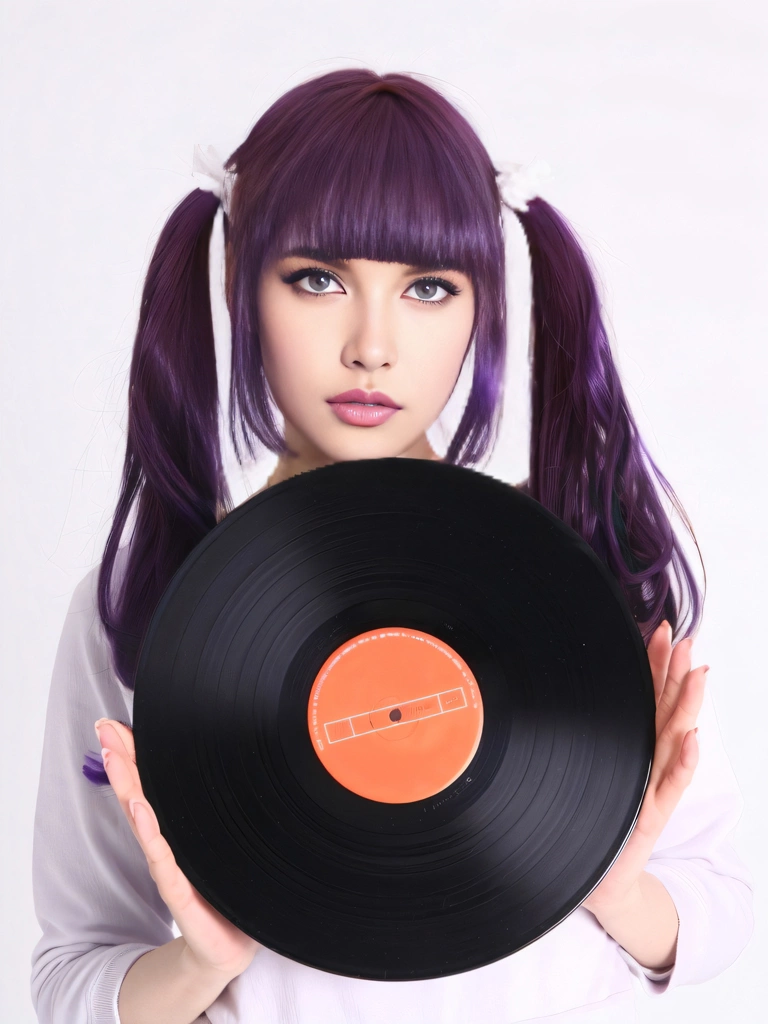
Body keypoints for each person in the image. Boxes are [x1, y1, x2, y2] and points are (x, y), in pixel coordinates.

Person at [30, 68, 754, 1024]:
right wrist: (201, 965)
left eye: (427, 288)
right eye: (318, 279)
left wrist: (612, 887)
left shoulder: (574, 571)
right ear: (240, 282)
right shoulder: (141, 598)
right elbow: (70, 977)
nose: (372, 346)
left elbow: (726, 910)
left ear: (481, 309)